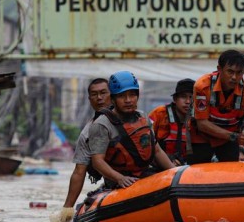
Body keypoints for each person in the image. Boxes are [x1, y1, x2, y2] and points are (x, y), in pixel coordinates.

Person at [61, 71, 174, 214]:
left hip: (145, 174)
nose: (128, 100)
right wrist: (67, 209)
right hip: (120, 181)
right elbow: (87, 167)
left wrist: (175, 173)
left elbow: (156, 150)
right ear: (114, 99)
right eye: (122, 96)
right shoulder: (98, 127)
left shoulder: (142, 117)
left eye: (132, 95)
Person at [59, 77, 112, 217]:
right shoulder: (87, 133)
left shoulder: (134, 119)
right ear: (89, 99)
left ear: (112, 94)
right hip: (115, 184)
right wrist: (67, 209)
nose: (99, 98)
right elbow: (79, 171)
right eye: (94, 95)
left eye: (103, 93)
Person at [149, 78, 194, 165]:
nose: (188, 102)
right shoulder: (159, 114)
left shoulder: (200, 119)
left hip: (187, 167)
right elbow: (145, 144)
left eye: (191, 97)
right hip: (159, 166)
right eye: (183, 97)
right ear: (175, 99)